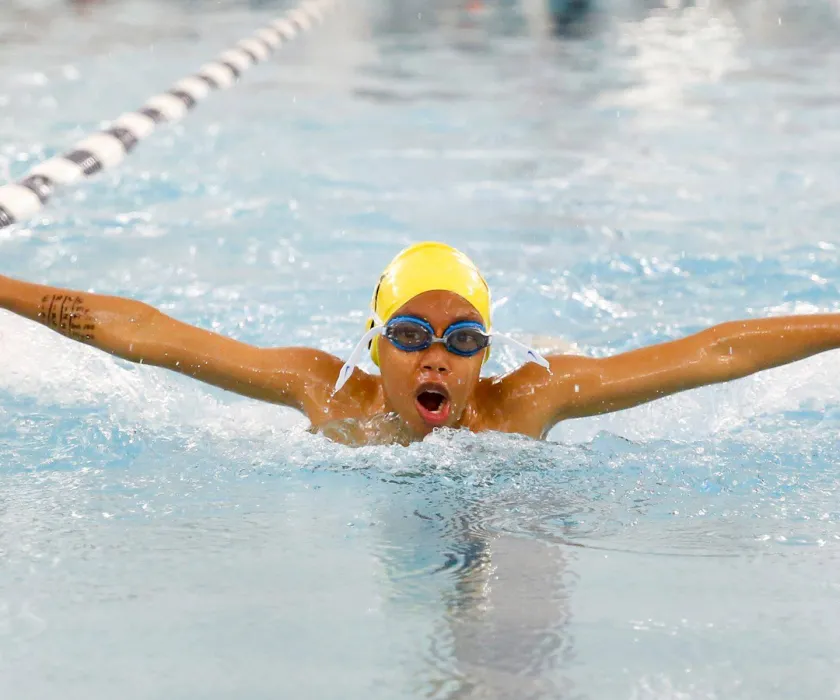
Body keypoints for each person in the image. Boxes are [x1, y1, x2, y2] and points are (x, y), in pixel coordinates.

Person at [1, 240, 838, 446]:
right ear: (375, 346)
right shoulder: (326, 393)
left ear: (484, 355)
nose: (436, 357)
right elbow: (145, 332)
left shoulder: (528, 402)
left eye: (462, 338)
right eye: (410, 334)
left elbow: (718, 353)